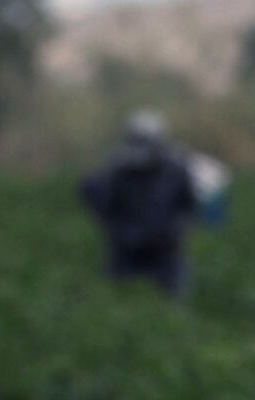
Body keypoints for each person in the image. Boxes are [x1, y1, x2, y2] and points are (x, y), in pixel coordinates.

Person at [79, 110, 201, 295]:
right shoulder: (117, 170)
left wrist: (175, 229)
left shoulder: (176, 170)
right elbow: (94, 196)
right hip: (127, 250)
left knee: (171, 297)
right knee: (118, 298)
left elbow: (189, 205)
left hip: (165, 251)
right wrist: (120, 230)